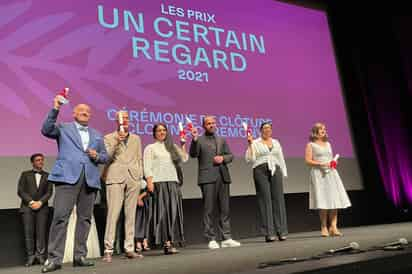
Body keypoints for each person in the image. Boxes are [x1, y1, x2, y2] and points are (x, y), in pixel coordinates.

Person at [40, 96, 108, 273]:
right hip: (67, 177)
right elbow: (46, 129)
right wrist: (55, 107)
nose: (85, 113)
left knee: (85, 220)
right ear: (74, 114)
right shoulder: (63, 128)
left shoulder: (97, 134)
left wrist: (97, 156)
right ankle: (54, 259)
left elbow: (105, 156)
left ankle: (80, 256)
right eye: (81, 111)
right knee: (60, 218)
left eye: (88, 112)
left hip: (90, 179)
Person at [189, 116, 241, 249]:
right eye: (208, 123)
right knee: (208, 209)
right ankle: (211, 238)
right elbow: (193, 154)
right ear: (204, 126)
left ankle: (226, 238)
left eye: (213, 123)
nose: (211, 125)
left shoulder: (221, 139)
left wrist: (222, 158)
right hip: (207, 178)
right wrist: (194, 140)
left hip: (223, 176)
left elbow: (230, 156)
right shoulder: (199, 140)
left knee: (225, 209)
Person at [102, 111, 144, 262]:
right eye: (122, 118)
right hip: (115, 176)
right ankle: (108, 249)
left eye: (127, 118)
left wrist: (140, 176)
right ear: (116, 120)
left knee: (131, 214)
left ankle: (129, 248)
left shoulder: (136, 138)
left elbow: (139, 158)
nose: (125, 120)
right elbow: (106, 156)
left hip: (133, 178)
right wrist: (116, 141)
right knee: (113, 214)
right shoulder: (108, 137)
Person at [143, 123, 187, 254]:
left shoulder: (172, 147)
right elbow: (147, 166)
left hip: (173, 182)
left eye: (164, 130)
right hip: (159, 183)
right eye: (159, 130)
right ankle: (166, 243)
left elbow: (184, 158)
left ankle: (171, 241)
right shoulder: (150, 148)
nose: (162, 132)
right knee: (162, 214)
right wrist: (149, 182)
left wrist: (183, 144)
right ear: (154, 133)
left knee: (173, 213)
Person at [304, 122, 351, 237]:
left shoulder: (328, 144)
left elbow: (330, 158)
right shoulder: (311, 145)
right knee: (323, 200)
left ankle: (334, 227)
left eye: (324, 128)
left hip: (331, 173)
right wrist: (321, 164)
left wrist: (334, 162)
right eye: (321, 129)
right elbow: (308, 161)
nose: (323, 130)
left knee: (334, 199)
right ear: (315, 131)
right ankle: (324, 227)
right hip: (319, 174)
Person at [245, 122, 288, 242]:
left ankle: (282, 231)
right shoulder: (255, 142)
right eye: (265, 128)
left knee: (278, 199)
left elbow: (281, 157)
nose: (267, 130)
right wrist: (250, 144)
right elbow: (249, 159)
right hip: (260, 170)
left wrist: (283, 172)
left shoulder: (276, 142)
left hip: (275, 169)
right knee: (265, 201)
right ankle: (269, 233)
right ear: (260, 130)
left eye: (269, 128)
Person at [17, 153, 53, 266]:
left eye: (42, 160)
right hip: (27, 208)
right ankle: (30, 257)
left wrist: (40, 202)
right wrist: (32, 202)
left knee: (41, 233)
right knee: (29, 234)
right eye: (38, 160)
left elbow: (49, 192)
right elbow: (21, 191)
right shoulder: (25, 174)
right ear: (32, 162)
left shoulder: (48, 175)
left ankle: (40, 256)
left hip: (42, 208)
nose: (40, 162)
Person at [134, 179, 152, 253]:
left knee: (146, 220)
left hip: (146, 199)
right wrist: (137, 198)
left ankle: (145, 241)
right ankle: (138, 243)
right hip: (134, 197)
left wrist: (140, 197)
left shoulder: (146, 175)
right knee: (137, 221)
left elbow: (149, 188)